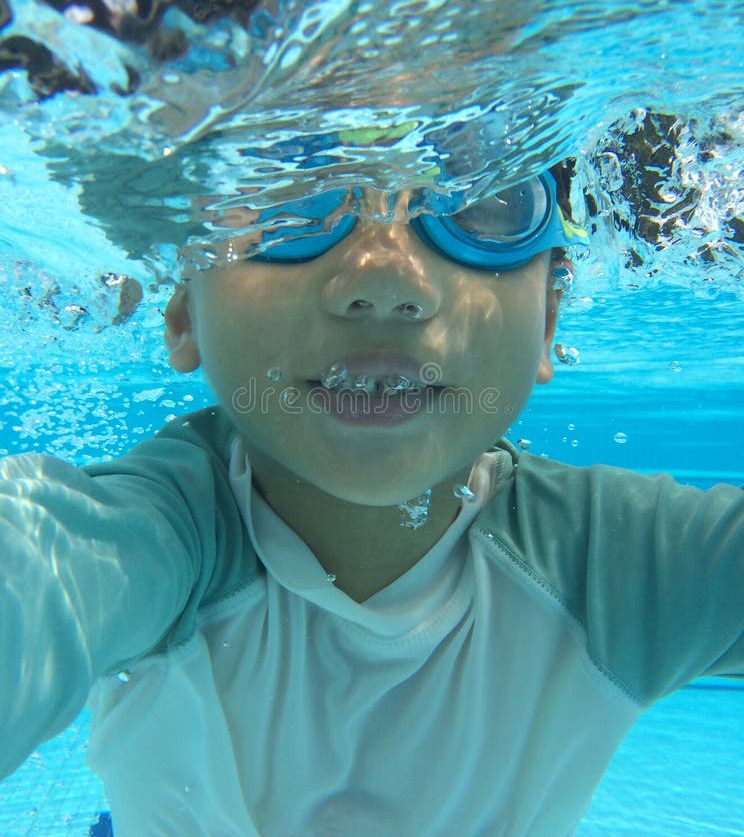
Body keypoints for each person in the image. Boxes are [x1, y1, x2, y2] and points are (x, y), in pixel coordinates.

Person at [1, 165, 742, 836]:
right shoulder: (144, 541)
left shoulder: (615, 570)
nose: (388, 278)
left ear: (548, 321)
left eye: (483, 203)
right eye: (287, 193)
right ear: (184, 309)